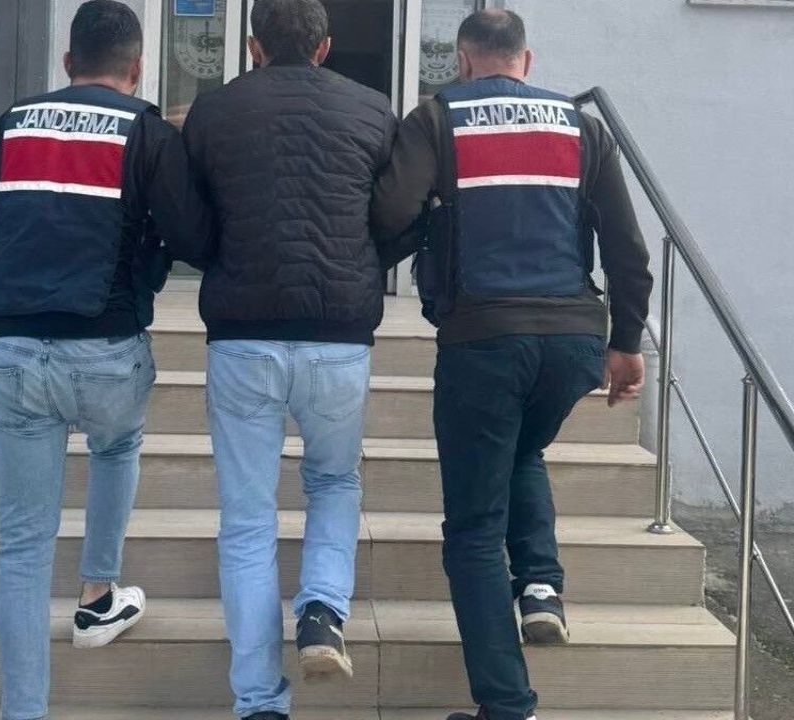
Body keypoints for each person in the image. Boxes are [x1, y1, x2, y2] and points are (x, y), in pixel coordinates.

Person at [371, 9, 654, 720]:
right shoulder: (582, 127)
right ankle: (541, 587)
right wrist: (626, 342)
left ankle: (507, 705)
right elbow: (627, 248)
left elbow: (391, 212)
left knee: (472, 529)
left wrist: (430, 220)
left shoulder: (438, 117)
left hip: (483, 339)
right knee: (522, 450)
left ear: (462, 61)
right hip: (573, 342)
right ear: (527, 61)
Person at [0, 2, 210, 719]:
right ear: (138, 68)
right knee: (117, 443)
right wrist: (148, 268)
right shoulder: (146, 131)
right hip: (107, 347)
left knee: (22, 545)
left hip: (15, 350)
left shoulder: (16, 121)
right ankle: (98, 594)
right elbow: (193, 235)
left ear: (68, 63)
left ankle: (23, 710)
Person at [166, 1, 398, 718]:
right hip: (338, 335)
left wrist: (224, 258)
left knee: (246, 520)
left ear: (252, 44)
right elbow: (394, 217)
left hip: (243, 334)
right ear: (324, 47)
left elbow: (186, 225)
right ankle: (322, 609)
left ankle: (260, 700)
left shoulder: (213, 111)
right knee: (333, 481)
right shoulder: (374, 110)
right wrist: (364, 265)